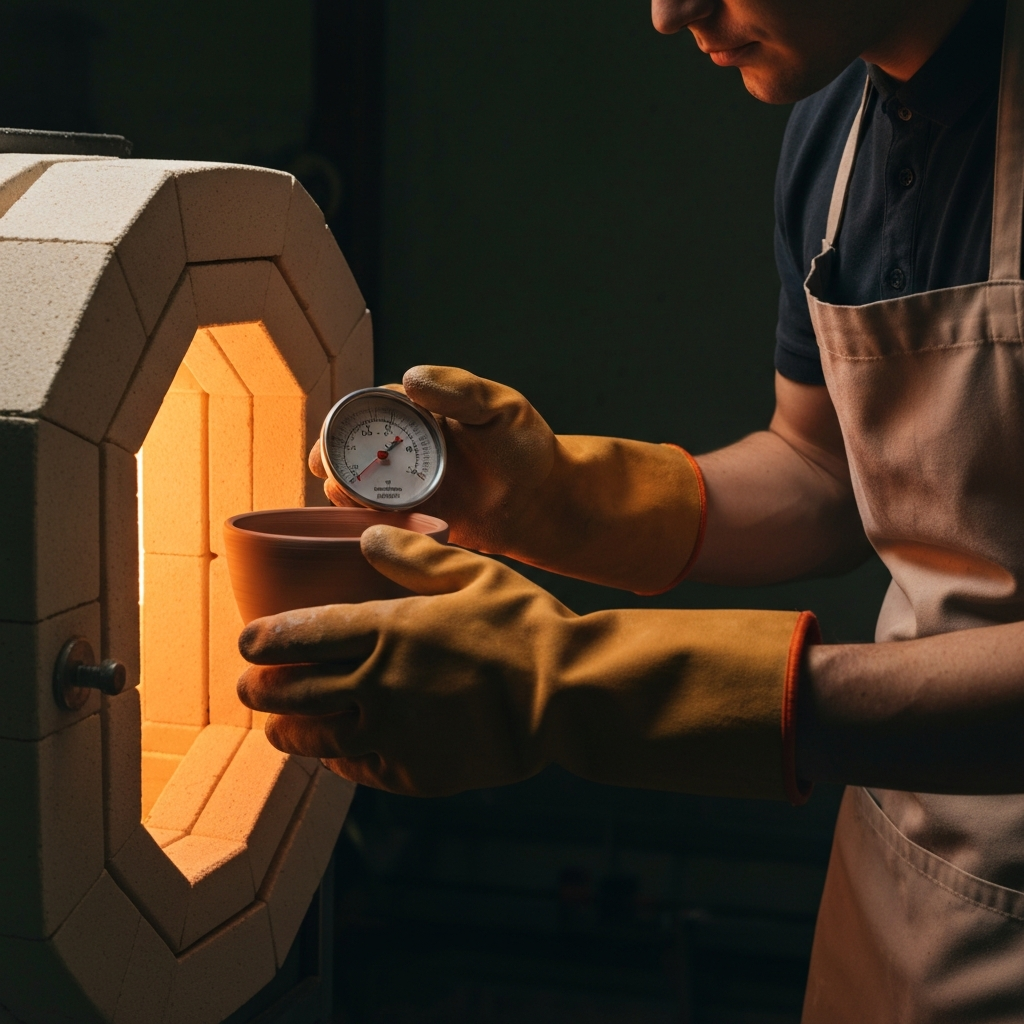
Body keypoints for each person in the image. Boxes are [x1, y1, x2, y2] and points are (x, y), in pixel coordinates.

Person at [237, 0, 1024, 1018]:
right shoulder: (836, 125)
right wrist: (561, 501)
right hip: (902, 870)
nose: (668, 12)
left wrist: (587, 688)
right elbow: (827, 469)